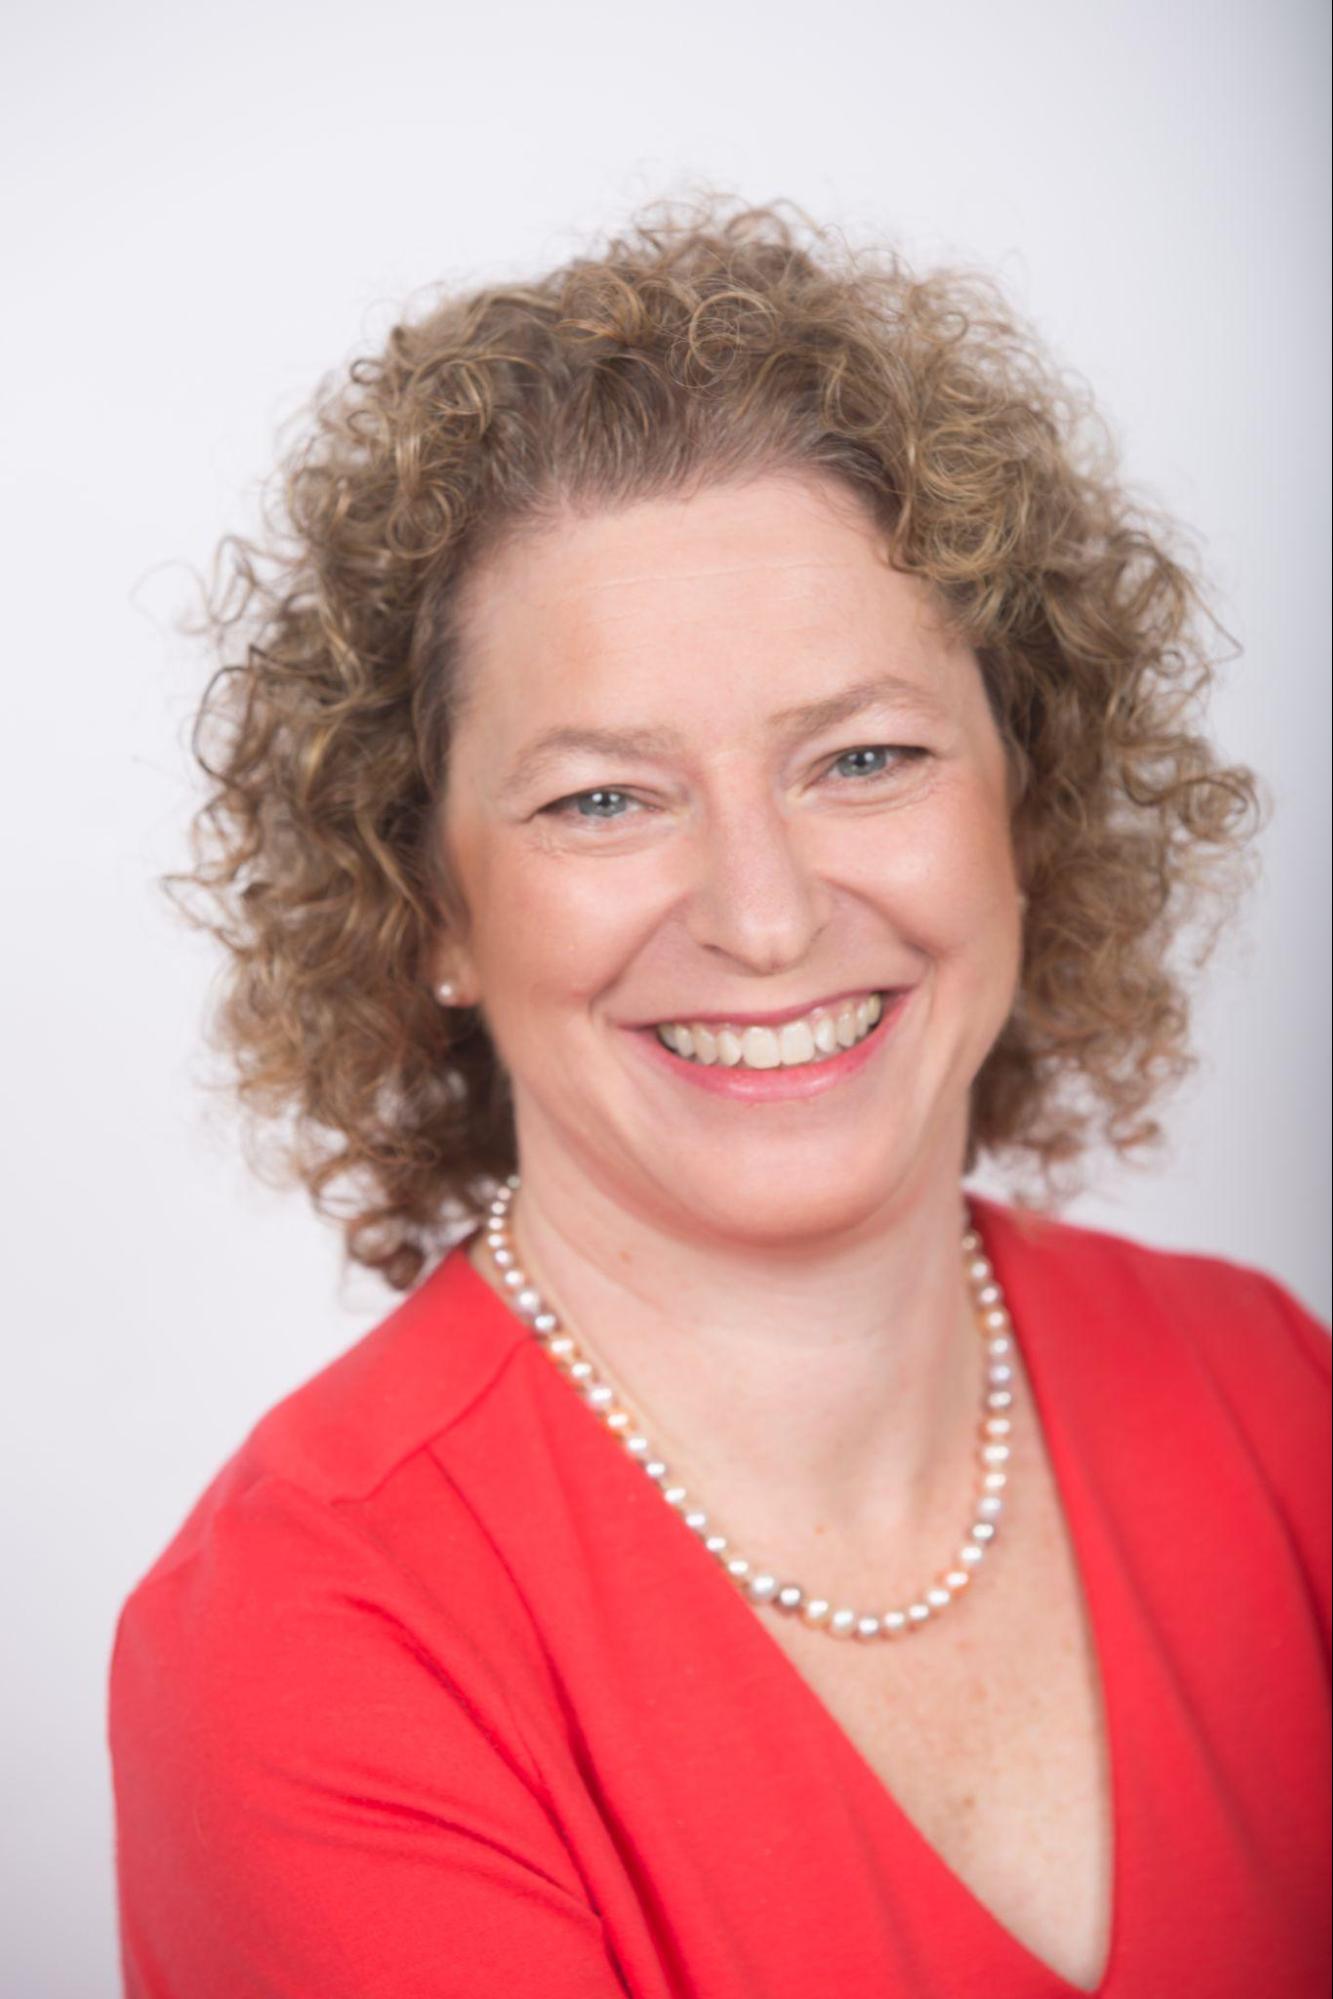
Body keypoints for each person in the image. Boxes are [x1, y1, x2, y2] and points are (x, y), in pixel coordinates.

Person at [108, 198, 1330, 1997]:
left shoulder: (1268, 1393)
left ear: (1024, 803)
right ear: (429, 905)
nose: (763, 918)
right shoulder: (314, 1639)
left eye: (866, 757)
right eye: (602, 799)